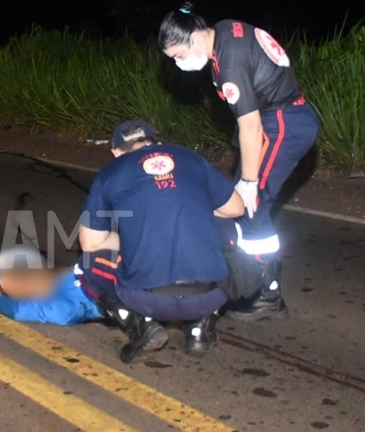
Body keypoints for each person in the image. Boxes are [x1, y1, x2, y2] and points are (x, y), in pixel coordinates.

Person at [158, 3, 321, 321]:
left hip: (283, 124)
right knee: (240, 203)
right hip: (282, 115)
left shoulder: (227, 65)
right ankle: (244, 279)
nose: (179, 64)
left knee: (250, 204)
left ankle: (266, 292)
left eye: (178, 55)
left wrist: (248, 183)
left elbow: (251, 126)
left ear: (194, 36)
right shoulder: (224, 29)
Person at [77, 119, 246, 363]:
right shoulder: (191, 159)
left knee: (88, 263)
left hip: (149, 300)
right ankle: (200, 327)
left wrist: (135, 240)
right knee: (225, 227)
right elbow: (236, 208)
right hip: (210, 296)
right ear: (158, 143)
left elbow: (90, 243)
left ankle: (141, 326)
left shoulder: (110, 173)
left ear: (116, 152)